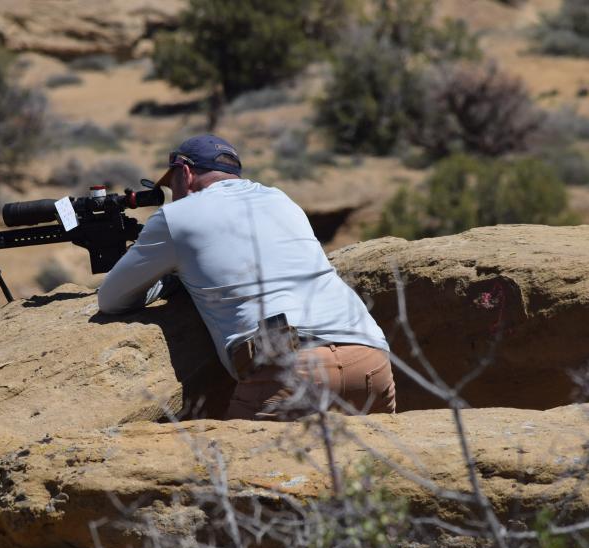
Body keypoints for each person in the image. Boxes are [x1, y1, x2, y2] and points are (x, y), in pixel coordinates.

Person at [97, 134, 395, 420]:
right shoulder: (281, 199)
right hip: (369, 356)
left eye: (171, 183)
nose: (172, 194)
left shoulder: (177, 217)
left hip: (291, 366)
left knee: (228, 471)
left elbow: (111, 299)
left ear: (184, 173)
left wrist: (165, 282)